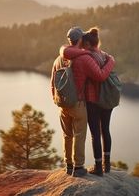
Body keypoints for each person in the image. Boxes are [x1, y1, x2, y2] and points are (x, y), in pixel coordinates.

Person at [51, 27, 115, 177]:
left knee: (67, 135)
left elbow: (53, 83)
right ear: (80, 40)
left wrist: (57, 100)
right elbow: (100, 76)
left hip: (62, 104)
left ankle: (68, 165)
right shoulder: (83, 58)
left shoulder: (58, 59)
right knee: (79, 135)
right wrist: (111, 60)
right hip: (78, 103)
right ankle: (78, 168)